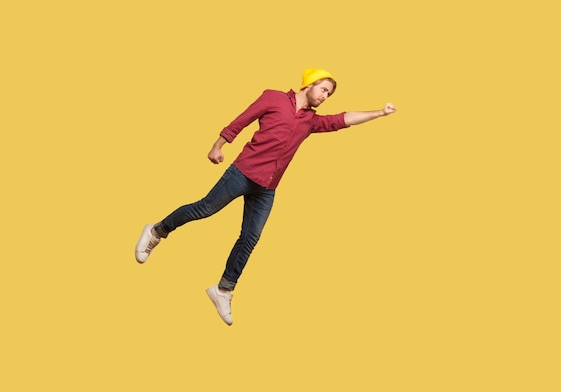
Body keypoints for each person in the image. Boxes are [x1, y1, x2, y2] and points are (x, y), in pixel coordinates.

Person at [135, 68, 396, 325]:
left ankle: (223, 289)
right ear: (309, 84)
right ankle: (157, 231)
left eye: (329, 93)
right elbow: (243, 119)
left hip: (268, 187)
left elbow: (343, 119)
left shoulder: (311, 121)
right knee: (204, 209)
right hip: (243, 172)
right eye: (324, 89)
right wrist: (218, 145)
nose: (325, 96)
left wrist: (380, 113)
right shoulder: (273, 98)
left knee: (251, 237)